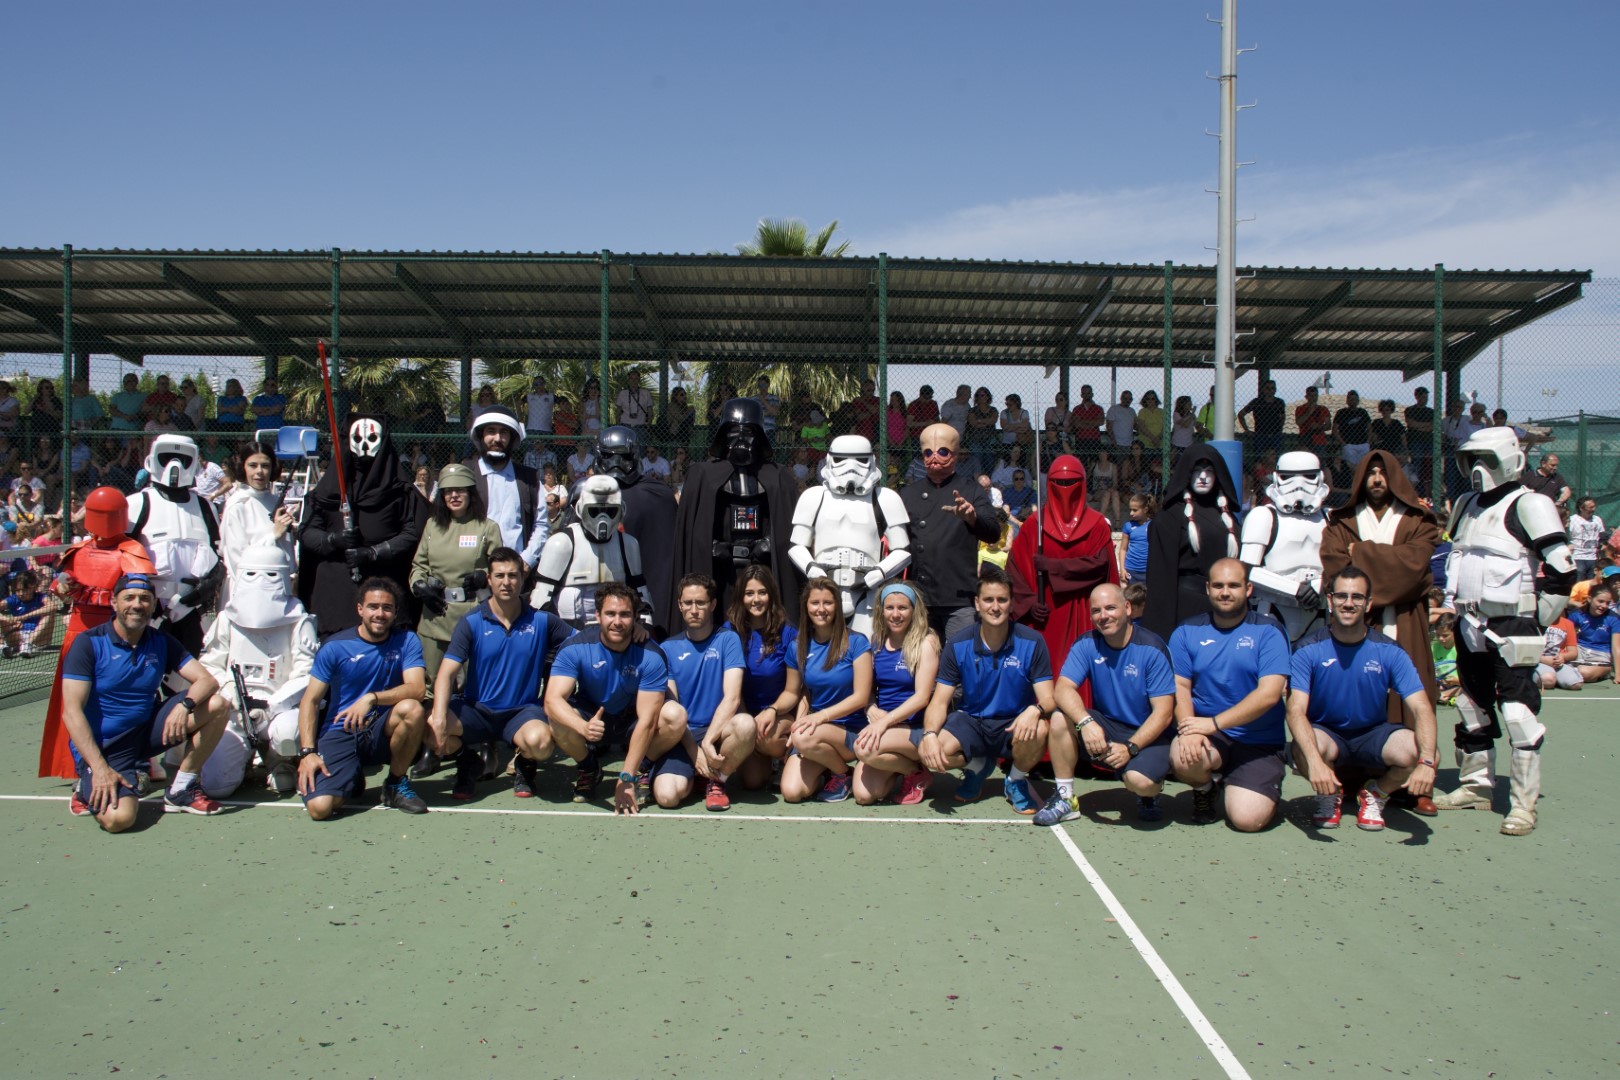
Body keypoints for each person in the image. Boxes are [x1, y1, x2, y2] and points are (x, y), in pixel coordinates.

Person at [1433, 427, 1575, 836]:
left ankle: (1523, 805)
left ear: (1511, 459)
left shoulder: (1531, 503)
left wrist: (1537, 620)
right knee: (1471, 705)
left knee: (1518, 713)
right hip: (1468, 621)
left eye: (1487, 459)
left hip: (1513, 621)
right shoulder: (1466, 503)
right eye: (1471, 459)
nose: (1478, 468)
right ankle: (1475, 786)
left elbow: (1562, 568)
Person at [57, 571, 229, 829]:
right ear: (114, 603)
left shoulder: (160, 640)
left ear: (153, 604)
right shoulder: (88, 643)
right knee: (119, 819)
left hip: (146, 732)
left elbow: (207, 681)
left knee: (218, 705)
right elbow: (72, 713)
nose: (137, 604)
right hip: (105, 747)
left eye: (145, 599)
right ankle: (86, 784)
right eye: (129, 598)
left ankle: (182, 789)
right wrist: (100, 768)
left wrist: (185, 706)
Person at [1287, 566, 1440, 831]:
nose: (1348, 603)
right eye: (1341, 596)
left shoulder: (1389, 650)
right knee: (1303, 746)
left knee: (1427, 752)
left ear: (1368, 604)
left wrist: (1426, 762)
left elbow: (1421, 707)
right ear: (1330, 600)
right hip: (1327, 733)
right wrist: (1314, 763)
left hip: (1373, 734)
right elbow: (1295, 710)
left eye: (1357, 597)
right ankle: (1329, 795)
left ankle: (1376, 793)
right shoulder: (1307, 649)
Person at [424, 547, 573, 801]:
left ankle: (525, 764)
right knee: (428, 726)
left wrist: (635, 632)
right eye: (500, 575)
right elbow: (446, 674)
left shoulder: (542, 621)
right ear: (489, 580)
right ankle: (467, 762)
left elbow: (585, 641)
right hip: (476, 710)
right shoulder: (471, 622)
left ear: (523, 579)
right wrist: (438, 717)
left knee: (541, 743)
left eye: (513, 575)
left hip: (521, 712)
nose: (506, 582)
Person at [916, 566, 1055, 815]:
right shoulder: (958, 643)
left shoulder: (1032, 641)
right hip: (972, 721)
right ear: (977, 604)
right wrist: (929, 735)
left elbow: (1049, 698)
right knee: (935, 749)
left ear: (1011, 604)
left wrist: (1036, 710)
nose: (995, 607)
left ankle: (1015, 780)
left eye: (1002, 600)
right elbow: (939, 702)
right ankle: (978, 766)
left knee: (1041, 728)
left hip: (1013, 723)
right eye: (989, 600)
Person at [1319, 450, 1443, 729]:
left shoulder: (1417, 520)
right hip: (1359, 621)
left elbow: (1415, 568)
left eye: (1383, 473)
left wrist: (1361, 553)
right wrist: (1392, 565)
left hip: (1405, 619)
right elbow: (1336, 570)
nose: (1377, 479)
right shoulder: (1342, 522)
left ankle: (1409, 751)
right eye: (1371, 473)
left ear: (1395, 477)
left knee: (1410, 694)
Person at [37, 489, 156, 779]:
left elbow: (138, 595)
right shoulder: (79, 550)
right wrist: (64, 587)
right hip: (79, 632)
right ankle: (76, 763)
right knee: (75, 701)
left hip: (115, 634)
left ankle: (136, 761)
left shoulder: (131, 550)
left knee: (122, 697)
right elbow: (60, 587)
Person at [1035, 583, 1175, 825]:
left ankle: (1149, 793)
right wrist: (1086, 722)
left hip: (1148, 735)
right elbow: (1063, 689)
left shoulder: (1151, 648)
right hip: (1107, 728)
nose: (1103, 616)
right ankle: (1066, 799)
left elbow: (1163, 713)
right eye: (1096, 611)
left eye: (1110, 608)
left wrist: (1130, 748)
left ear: (1128, 608)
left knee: (1140, 782)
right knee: (1059, 717)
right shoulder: (1087, 644)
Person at [1168, 559, 1290, 832]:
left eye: (1233, 585)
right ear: (1208, 589)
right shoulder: (1186, 631)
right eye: (1219, 585)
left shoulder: (1269, 632)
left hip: (1259, 740)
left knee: (1247, 821)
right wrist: (1188, 728)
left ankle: (1257, 782)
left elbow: (1269, 694)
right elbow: (1180, 685)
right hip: (1210, 734)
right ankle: (1205, 788)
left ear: (1248, 589)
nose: (1225, 592)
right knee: (1183, 757)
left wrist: (1213, 723)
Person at [294, 578, 429, 818]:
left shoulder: (407, 641)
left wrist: (371, 698)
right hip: (341, 730)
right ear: (360, 609)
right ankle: (351, 775)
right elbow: (310, 701)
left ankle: (395, 784)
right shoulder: (335, 647)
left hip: (381, 728)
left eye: (387, 608)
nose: (380, 614)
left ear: (395, 612)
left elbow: (417, 688)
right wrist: (307, 752)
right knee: (320, 809)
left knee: (412, 709)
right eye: (373, 607)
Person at [542, 582, 678, 812]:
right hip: (593, 717)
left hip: (631, 720)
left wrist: (626, 776)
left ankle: (641, 768)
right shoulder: (576, 646)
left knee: (675, 715)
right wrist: (583, 727)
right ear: (597, 615)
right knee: (557, 718)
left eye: (625, 614)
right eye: (610, 614)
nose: (617, 621)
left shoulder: (651, 654)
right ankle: (588, 767)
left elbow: (648, 721)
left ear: (635, 617)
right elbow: (551, 700)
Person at [195, 545, 319, 797]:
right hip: (233, 711)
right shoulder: (227, 618)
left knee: (288, 732)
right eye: (252, 574)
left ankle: (278, 760)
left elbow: (306, 672)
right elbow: (210, 664)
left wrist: (273, 706)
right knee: (216, 785)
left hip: (278, 710)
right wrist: (229, 694)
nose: (261, 582)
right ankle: (242, 759)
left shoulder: (298, 620)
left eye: (271, 575)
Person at [298, 414, 427, 638]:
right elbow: (307, 531)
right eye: (358, 439)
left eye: (372, 438)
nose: (365, 446)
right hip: (336, 596)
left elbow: (412, 533)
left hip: (386, 587)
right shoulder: (326, 491)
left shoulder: (401, 491)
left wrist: (374, 552)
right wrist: (332, 540)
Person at [671, 398, 800, 615]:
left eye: (748, 431)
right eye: (733, 431)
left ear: (759, 434)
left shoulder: (777, 476)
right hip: (721, 572)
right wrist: (710, 546)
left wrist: (770, 543)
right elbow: (694, 529)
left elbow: (786, 525)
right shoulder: (703, 475)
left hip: (762, 569)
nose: (740, 438)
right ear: (723, 433)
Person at [1007, 454, 1118, 682]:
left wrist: (1053, 566)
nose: (1065, 488)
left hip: (1086, 611)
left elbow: (1101, 566)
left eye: (1071, 482)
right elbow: (1014, 571)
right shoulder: (1034, 525)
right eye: (1059, 482)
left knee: (1084, 675)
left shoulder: (1097, 524)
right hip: (1044, 613)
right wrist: (1029, 603)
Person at [787, 434, 911, 637]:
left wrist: (878, 574)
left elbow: (903, 550)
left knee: (865, 649)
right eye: (841, 459)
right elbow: (796, 546)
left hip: (867, 593)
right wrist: (812, 570)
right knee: (821, 649)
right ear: (830, 460)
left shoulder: (885, 498)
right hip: (823, 592)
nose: (851, 467)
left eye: (860, 460)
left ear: (871, 460)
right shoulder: (814, 497)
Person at [661, 573, 756, 811]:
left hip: (717, 732)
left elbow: (732, 698)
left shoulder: (728, 640)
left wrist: (708, 742)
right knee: (667, 797)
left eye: (701, 603)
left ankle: (717, 781)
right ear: (680, 605)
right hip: (683, 734)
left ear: (712, 604)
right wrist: (694, 750)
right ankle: (695, 775)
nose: (694, 610)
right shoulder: (667, 648)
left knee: (746, 724)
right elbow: (673, 710)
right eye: (688, 603)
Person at [775, 575, 873, 804]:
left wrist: (819, 718)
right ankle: (832, 769)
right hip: (814, 732)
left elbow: (861, 697)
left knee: (803, 737)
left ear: (837, 606)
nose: (821, 609)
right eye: (815, 603)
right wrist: (783, 715)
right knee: (791, 792)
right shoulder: (797, 646)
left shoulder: (857, 643)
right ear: (806, 607)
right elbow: (795, 692)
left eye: (828, 603)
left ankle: (842, 774)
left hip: (850, 730)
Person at [902, 423, 1002, 641]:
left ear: (955, 455)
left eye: (942, 452)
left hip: (959, 597)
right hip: (920, 596)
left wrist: (972, 518)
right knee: (922, 656)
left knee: (961, 655)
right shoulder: (908, 494)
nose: (934, 457)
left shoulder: (972, 490)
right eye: (928, 453)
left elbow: (993, 533)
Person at [126, 434, 223, 655]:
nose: (175, 465)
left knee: (188, 667)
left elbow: (217, 553)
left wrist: (206, 587)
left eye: (182, 459)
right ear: (152, 460)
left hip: (192, 608)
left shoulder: (205, 507)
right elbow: (121, 555)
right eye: (167, 457)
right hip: (148, 608)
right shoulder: (138, 503)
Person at [409, 463, 504, 685]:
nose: (454, 496)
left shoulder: (487, 527)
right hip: (435, 615)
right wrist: (419, 585)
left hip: (473, 615)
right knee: (432, 683)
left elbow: (501, 568)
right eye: (448, 491)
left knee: (476, 682)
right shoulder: (432, 526)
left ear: (471, 493)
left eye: (460, 490)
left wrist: (484, 576)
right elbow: (418, 565)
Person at [851, 581, 939, 805]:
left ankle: (916, 771)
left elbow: (922, 697)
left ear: (914, 610)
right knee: (864, 796)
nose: (896, 614)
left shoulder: (926, 642)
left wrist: (884, 722)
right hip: (886, 727)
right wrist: (871, 708)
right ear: (881, 610)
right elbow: (868, 690)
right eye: (890, 607)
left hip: (914, 727)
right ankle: (909, 770)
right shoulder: (877, 642)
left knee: (863, 749)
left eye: (903, 608)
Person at [1140, 444, 1241, 640]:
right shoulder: (1169, 518)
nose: (1203, 477)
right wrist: (1160, 634)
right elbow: (1160, 581)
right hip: (1187, 611)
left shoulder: (1229, 518)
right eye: (1197, 471)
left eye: (1209, 471)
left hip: (1227, 608)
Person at [531, 475, 653, 628]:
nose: (603, 517)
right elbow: (541, 598)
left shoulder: (628, 544)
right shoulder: (561, 543)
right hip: (569, 630)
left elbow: (640, 593)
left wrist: (643, 625)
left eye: (610, 511)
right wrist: (556, 633)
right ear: (580, 509)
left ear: (621, 511)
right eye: (594, 511)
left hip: (617, 630)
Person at [595, 426, 679, 634]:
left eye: (622, 457)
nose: (616, 464)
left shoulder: (658, 495)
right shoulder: (588, 494)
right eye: (609, 457)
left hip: (646, 589)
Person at [1239, 451, 1328, 645]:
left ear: (1320, 477)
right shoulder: (1264, 516)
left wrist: (1319, 585)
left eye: (1308, 476)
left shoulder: (1328, 518)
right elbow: (1246, 569)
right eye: (1289, 477)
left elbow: (1340, 564)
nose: (1299, 485)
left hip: (1318, 611)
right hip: (1273, 610)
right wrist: (1295, 589)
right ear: (1277, 478)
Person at [727, 566, 801, 792]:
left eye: (762, 592)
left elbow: (794, 691)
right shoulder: (729, 632)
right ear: (741, 597)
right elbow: (731, 689)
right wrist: (745, 721)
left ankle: (786, 758)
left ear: (771, 595)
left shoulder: (788, 633)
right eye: (749, 593)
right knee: (753, 782)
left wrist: (772, 710)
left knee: (767, 737)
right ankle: (767, 762)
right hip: (745, 716)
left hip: (779, 715)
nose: (756, 599)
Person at [463, 405, 548, 572]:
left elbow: (541, 524)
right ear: (481, 436)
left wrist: (527, 559)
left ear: (512, 438)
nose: (497, 438)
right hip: (473, 572)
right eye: (491, 431)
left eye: (504, 432)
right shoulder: (465, 475)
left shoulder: (529, 478)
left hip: (517, 572)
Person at [219, 441, 298, 579]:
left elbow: (288, 558)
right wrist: (274, 535)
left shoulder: (275, 501)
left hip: (280, 583)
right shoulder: (237, 505)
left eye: (265, 466)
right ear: (243, 467)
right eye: (253, 465)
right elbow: (237, 561)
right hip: (250, 586)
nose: (259, 471)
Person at [1566, 583, 1620, 684]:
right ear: (1590, 599)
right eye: (1600, 601)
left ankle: (1606, 670)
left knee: (1584, 672)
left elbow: (1616, 647)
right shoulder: (1576, 614)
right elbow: (1567, 638)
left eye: (1607, 603)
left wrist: (1618, 674)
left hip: (1601, 654)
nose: (1604, 606)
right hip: (1579, 650)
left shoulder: (1614, 618)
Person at [1, 569, 57, 658]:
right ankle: (3, 646)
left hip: (39, 638)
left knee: (49, 612)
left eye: (24, 590)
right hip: (17, 637)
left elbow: (53, 606)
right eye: (18, 590)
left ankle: (28, 644)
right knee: (2, 620)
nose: (21, 593)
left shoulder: (41, 597)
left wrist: (23, 617)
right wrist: (8, 620)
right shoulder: (13, 599)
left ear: (33, 588)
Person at [1534, 608, 1582, 692]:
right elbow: (1526, 650)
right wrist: (1542, 659)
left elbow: (1573, 652)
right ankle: (1544, 677)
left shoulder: (1568, 624)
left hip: (1558, 664)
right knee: (1548, 680)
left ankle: (1556, 677)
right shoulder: (1534, 623)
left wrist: (1562, 656)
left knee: (1576, 684)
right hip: (1539, 662)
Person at [1237, 379, 1285, 461]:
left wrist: (1280, 429)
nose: (1270, 391)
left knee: (1276, 459)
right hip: (1260, 435)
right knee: (1259, 459)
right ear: (1263, 389)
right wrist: (1247, 430)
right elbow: (1241, 414)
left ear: (1275, 390)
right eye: (1267, 388)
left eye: (1272, 388)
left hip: (1275, 435)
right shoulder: (1256, 402)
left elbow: (1282, 417)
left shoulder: (1279, 402)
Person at [1333, 390, 1372, 470]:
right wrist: (1343, 443)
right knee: (1350, 467)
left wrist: (1368, 441)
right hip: (1348, 444)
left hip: (1363, 444)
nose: (1352, 401)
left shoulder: (1363, 412)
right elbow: (1335, 429)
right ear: (1347, 401)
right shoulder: (1341, 413)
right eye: (1350, 399)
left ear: (1358, 400)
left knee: (1363, 467)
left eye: (1354, 399)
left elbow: (1369, 428)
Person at [1117, 493, 1152, 584]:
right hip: (1131, 569)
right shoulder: (1128, 526)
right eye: (1130, 510)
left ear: (1145, 510)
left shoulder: (1153, 525)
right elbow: (1123, 549)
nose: (1131, 513)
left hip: (1148, 569)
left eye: (1135, 510)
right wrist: (1122, 568)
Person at [1568, 497, 1605, 581]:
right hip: (1577, 556)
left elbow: (1602, 535)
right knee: (1580, 579)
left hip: (1593, 556)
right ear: (1581, 508)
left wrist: (1601, 545)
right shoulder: (1573, 520)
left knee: (1591, 581)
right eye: (1590, 507)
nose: (1593, 509)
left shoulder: (1597, 519)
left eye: (1594, 506)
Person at [1070, 385, 1105, 465]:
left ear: (1092, 394)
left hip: (1095, 439)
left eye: (1088, 393)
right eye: (1084, 393)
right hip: (1081, 439)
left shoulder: (1099, 408)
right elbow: (1076, 424)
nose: (1086, 395)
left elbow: (1101, 422)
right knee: (1081, 463)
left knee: (1094, 462)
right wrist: (1093, 423)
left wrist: (1082, 421)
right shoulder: (1077, 408)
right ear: (1081, 395)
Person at [613, 371, 654, 435]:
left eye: (636, 379)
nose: (633, 381)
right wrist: (618, 425)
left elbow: (650, 411)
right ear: (628, 380)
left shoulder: (645, 393)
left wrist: (648, 425)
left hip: (640, 426)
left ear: (639, 380)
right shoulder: (622, 393)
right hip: (625, 425)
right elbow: (617, 412)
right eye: (631, 378)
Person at [1295, 386, 1331, 451]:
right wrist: (1309, 412)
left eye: (1315, 395)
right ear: (1306, 397)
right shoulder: (1300, 408)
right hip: (1305, 440)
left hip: (1319, 441)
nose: (1313, 398)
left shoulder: (1323, 409)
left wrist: (1319, 427)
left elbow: (1328, 425)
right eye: (1311, 396)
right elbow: (1299, 422)